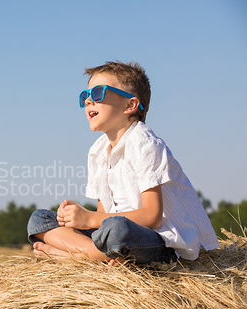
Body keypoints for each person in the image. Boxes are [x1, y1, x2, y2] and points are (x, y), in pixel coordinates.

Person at [27, 61, 219, 265]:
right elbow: (102, 214)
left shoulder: (145, 143)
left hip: (161, 240)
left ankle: (76, 255)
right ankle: (93, 253)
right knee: (39, 220)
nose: (89, 101)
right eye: (85, 96)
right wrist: (80, 217)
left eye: (98, 93)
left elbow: (152, 216)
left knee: (117, 229)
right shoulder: (98, 151)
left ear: (130, 105)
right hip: (114, 233)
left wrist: (89, 219)